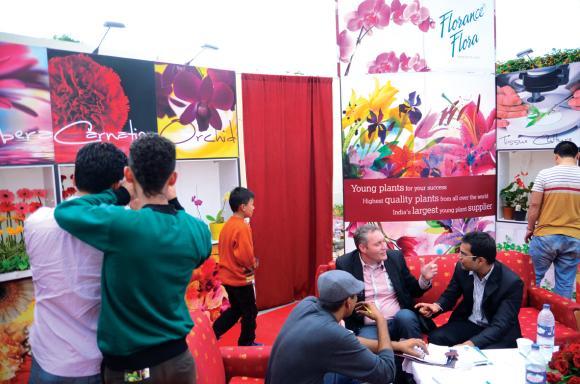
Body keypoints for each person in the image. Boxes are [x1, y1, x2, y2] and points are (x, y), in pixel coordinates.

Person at [54, 134, 212, 383]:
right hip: (180, 362)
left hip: (135, 372)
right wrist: (174, 201)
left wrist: (119, 196)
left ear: (128, 175)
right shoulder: (198, 230)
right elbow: (197, 246)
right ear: (173, 179)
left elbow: (67, 211)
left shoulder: (122, 225)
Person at [24, 142, 127, 383]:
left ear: (75, 178)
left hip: (46, 358)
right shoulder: (122, 229)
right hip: (94, 362)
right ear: (116, 185)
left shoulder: (36, 221)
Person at [266, 270, 397, 384]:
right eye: (356, 295)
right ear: (348, 303)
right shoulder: (333, 334)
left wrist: (398, 346)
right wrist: (381, 320)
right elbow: (386, 372)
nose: (358, 298)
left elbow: (350, 342)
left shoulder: (306, 304)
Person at [416, 232, 524, 349]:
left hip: (497, 330)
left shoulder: (511, 283)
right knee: (436, 338)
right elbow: (450, 295)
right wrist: (437, 306)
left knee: (485, 356)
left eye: (463, 254)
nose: (459, 257)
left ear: (480, 261)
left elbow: (500, 326)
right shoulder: (462, 268)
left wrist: (469, 345)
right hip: (470, 323)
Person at [336, 224, 438, 341]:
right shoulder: (345, 264)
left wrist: (424, 278)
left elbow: (413, 290)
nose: (384, 247)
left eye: (383, 241)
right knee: (367, 348)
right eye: (378, 244)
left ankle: (415, 356)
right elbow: (340, 299)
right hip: (369, 326)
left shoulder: (395, 257)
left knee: (406, 316)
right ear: (363, 248)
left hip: (398, 320)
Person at [525, 140, 580, 299]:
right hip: (575, 238)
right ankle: (558, 320)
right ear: (577, 155)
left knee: (532, 279)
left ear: (556, 157)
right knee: (564, 284)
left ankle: (527, 315)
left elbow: (534, 205)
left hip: (546, 236)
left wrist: (530, 228)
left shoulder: (545, 174)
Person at [212, 187, 261, 346]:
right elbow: (245, 256)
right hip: (239, 278)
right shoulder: (242, 226)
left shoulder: (227, 226)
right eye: (252, 204)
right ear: (243, 207)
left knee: (236, 310)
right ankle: (246, 343)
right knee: (250, 312)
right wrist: (253, 263)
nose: (254, 207)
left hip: (227, 277)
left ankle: (214, 331)